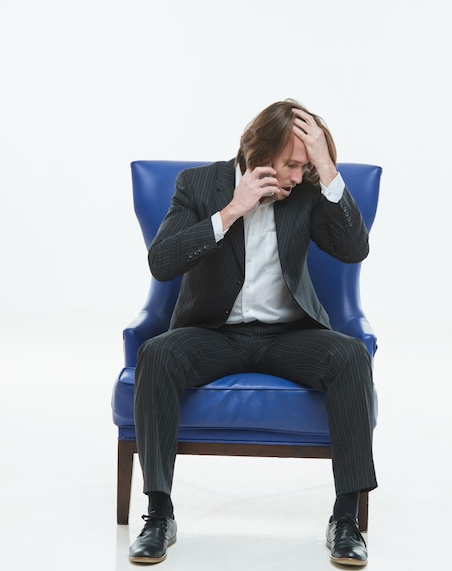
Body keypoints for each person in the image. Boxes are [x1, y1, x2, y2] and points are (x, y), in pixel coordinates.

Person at [129, 99, 377, 566]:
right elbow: (161, 263)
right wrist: (229, 213)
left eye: (304, 166)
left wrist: (324, 167)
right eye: (290, 164)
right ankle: (159, 514)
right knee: (157, 354)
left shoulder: (306, 189)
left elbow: (354, 248)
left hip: (289, 337)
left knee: (350, 356)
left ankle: (345, 520)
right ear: (256, 151)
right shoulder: (198, 184)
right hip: (213, 333)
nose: (294, 176)